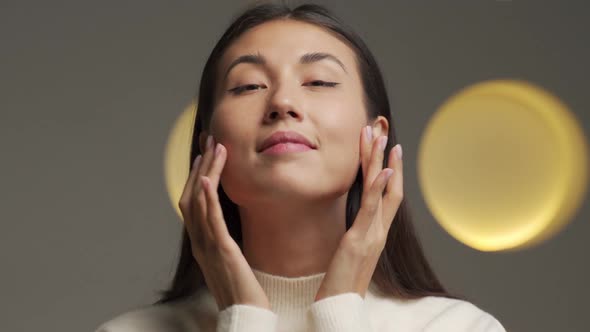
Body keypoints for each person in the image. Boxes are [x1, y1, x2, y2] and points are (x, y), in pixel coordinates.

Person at [94, 2, 507, 331]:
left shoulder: (457, 327)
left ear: (376, 136)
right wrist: (243, 317)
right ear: (207, 145)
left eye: (319, 82)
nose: (282, 103)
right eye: (249, 86)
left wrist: (340, 310)